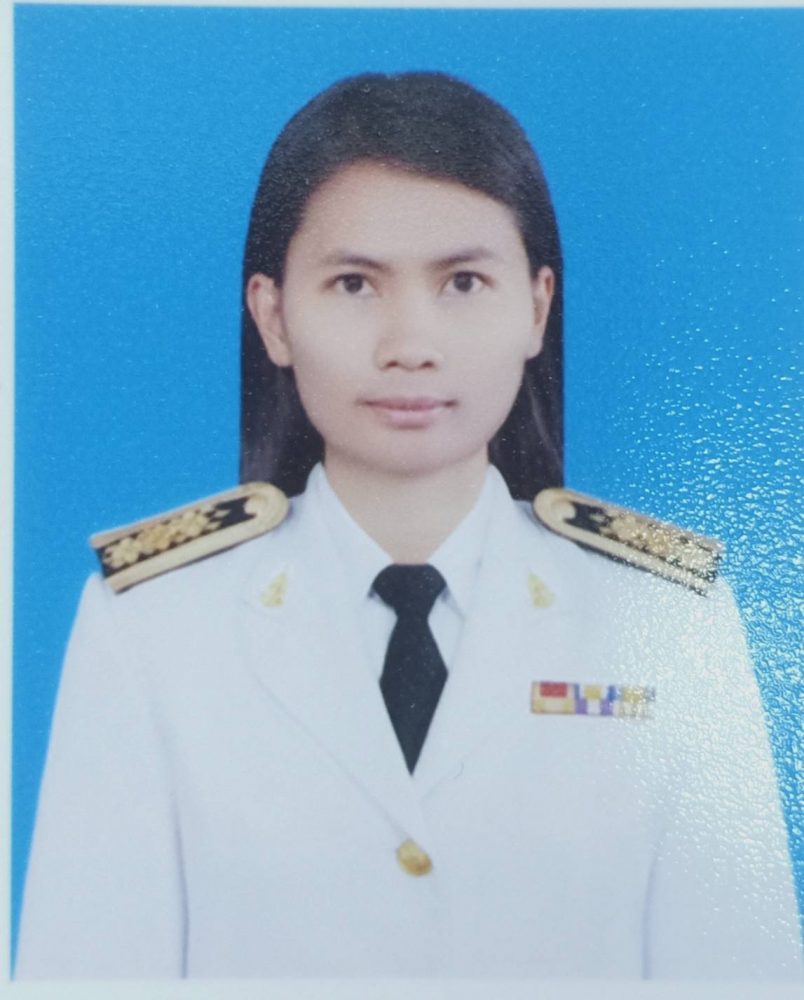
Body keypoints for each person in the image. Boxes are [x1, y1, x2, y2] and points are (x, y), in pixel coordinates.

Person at [15, 71, 802, 980]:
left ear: (537, 306)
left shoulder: (667, 620)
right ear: (273, 314)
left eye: (463, 281)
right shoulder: (151, 628)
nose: (411, 344)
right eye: (354, 284)